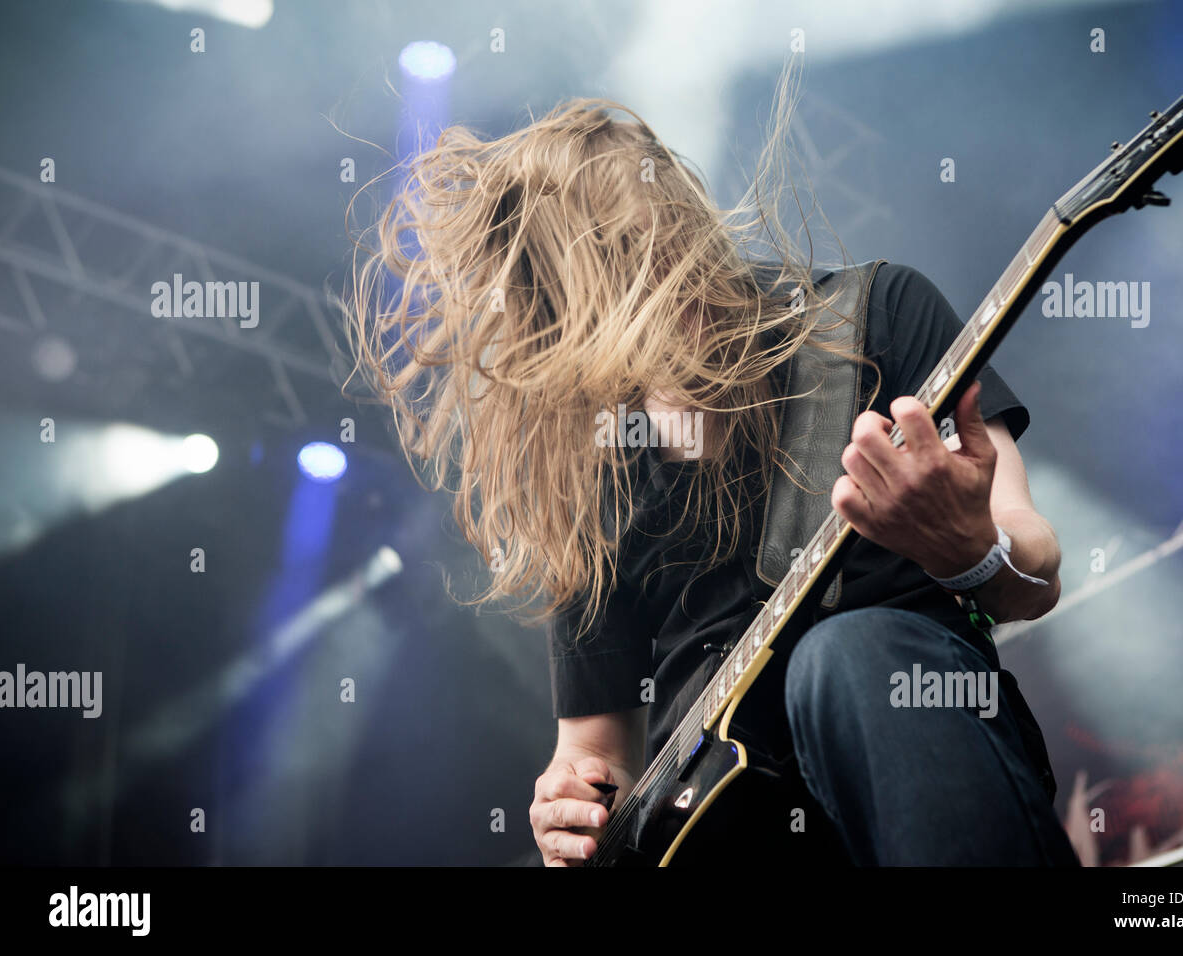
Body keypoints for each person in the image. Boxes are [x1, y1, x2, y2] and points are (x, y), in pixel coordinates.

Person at [342, 65, 1080, 867]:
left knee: (848, 654)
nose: (664, 297)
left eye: (660, 256)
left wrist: (971, 550)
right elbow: (595, 755)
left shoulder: (873, 318)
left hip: (911, 772)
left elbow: (1036, 572)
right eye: (612, 283)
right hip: (711, 828)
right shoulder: (600, 467)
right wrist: (565, 802)